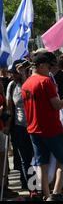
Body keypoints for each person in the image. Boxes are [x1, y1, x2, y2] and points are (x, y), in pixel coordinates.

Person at [21, 51, 63, 201]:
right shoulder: (45, 81)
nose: (50, 70)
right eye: (49, 66)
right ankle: (56, 193)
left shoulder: (26, 84)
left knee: (42, 164)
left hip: (33, 129)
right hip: (51, 128)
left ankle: (46, 194)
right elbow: (57, 105)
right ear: (42, 65)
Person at [6, 59, 34, 195]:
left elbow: (31, 97)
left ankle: (42, 185)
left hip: (36, 126)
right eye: (12, 73)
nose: (12, 75)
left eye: (15, 73)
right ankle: (32, 188)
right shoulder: (11, 86)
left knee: (37, 158)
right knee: (25, 159)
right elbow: (10, 108)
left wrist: (24, 77)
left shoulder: (32, 82)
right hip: (20, 128)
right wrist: (7, 126)